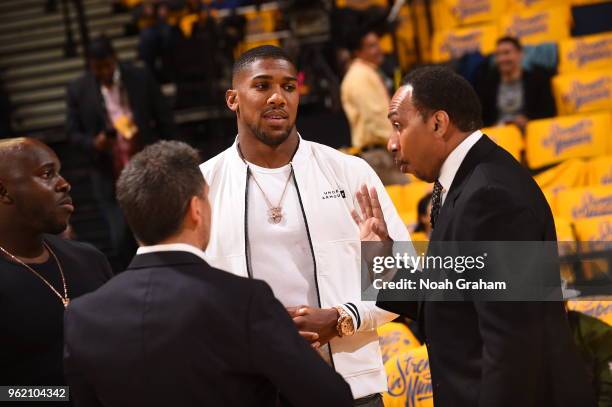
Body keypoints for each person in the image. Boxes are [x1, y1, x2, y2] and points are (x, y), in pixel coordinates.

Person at [63, 141, 353, 407]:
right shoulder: (244, 299)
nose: (278, 99)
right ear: (197, 209)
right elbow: (331, 397)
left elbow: (398, 297)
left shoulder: (82, 315)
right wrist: (341, 321)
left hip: (364, 367)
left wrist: (347, 315)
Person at [368, 66, 595, 406]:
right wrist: (381, 259)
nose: (392, 142)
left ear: (438, 123)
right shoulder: (467, 182)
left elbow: (512, 345)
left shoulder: (490, 195)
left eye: (399, 125)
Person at [199, 45, 409, 406]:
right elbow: (181, 295)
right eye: (262, 86)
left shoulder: (350, 172)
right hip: (247, 390)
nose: (278, 97)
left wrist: (344, 318)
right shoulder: (201, 186)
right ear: (233, 99)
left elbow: (407, 281)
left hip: (349, 390)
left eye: (289, 87)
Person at [0, 138, 112, 394]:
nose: (64, 183)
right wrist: (63, 397)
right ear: (3, 192)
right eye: (47, 174)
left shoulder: (89, 259)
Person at [66, 35, 176, 270]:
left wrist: (169, 155)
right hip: (108, 170)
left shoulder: (139, 76)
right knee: (119, 237)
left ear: (114, 59)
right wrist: (94, 143)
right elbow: (72, 133)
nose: (103, 72)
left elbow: (164, 116)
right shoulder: (79, 89)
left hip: (147, 162)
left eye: (106, 65)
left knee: (158, 227)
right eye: (97, 68)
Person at [341, 29, 407, 185]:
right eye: (371, 46)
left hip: (382, 152)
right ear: (358, 52)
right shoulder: (359, 76)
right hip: (379, 157)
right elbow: (376, 119)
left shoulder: (367, 73)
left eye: (378, 44)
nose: (379, 50)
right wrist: (399, 145)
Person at [474, 36, 556, 130]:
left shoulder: (538, 78)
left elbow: (548, 112)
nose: (502, 59)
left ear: (520, 54)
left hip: (530, 132)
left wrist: (528, 120)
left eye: (506, 53)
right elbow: (480, 117)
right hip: (498, 134)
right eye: (498, 55)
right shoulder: (486, 82)